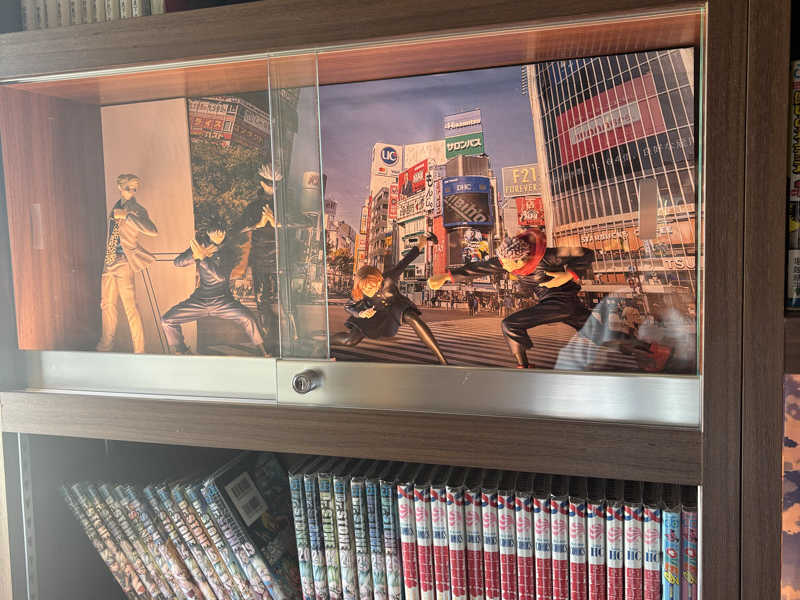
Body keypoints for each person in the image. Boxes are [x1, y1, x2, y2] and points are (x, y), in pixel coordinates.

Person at [428, 230, 672, 371]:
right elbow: (477, 268)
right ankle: (653, 350)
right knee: (602, 337)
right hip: (566, 306)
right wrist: (446, 277)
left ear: (521, 259)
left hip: (559, 302)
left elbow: (586, 253)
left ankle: (524, 367)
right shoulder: (506, 262)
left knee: (510, 324)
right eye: (503, 263)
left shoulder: (549, 256)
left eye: (509, 264)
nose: (505, 267)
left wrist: (569, 274)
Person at [160, 207, 274, 356]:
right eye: (215, 232)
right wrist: (195, 255)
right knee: (167, 320)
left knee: (248, 318)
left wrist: (203, 258)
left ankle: (264, 352)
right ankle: (181, 350)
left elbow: (220, 277)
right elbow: (178, 262)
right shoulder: (201, 246)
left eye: (222, 232)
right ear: (208, 232)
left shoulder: (229, 251)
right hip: (199, 300)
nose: (219, 235)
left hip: (223, 301)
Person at [331, 233, 448, 365]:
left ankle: (442, 360)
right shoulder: (360, 291)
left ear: (379, 279)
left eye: (373, 286)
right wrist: (361, 313)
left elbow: (405, 261)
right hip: (373, 312)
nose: (370, 290)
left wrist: (421, 243)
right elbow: (348, 306)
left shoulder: (389, 278)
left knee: (413, 318)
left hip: (395, 307)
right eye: (365, 289)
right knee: (350, 340)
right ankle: (327, 343)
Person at [97, 173, 158, 354]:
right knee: (107, 304)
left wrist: (129, 217)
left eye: (134, 189)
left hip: (123, 261)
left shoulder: (137, 210)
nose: (131, 191)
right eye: (128, 188)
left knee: (130, 307)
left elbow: (153, 231)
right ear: (120, 187)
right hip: (109, 260)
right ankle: (105, 346)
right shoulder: (116, 206)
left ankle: (139, 351)